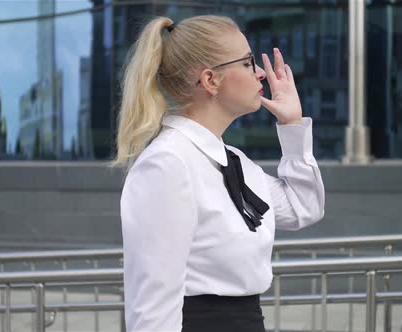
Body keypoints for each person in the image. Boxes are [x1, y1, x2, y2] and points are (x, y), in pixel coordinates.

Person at [113, 14, 325, 332]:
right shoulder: (167, 165)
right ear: (211, 80)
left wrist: (292, 125)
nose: (260, 74)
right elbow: (152, 307)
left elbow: (303, 208)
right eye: (248, 62)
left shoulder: (233, 161)